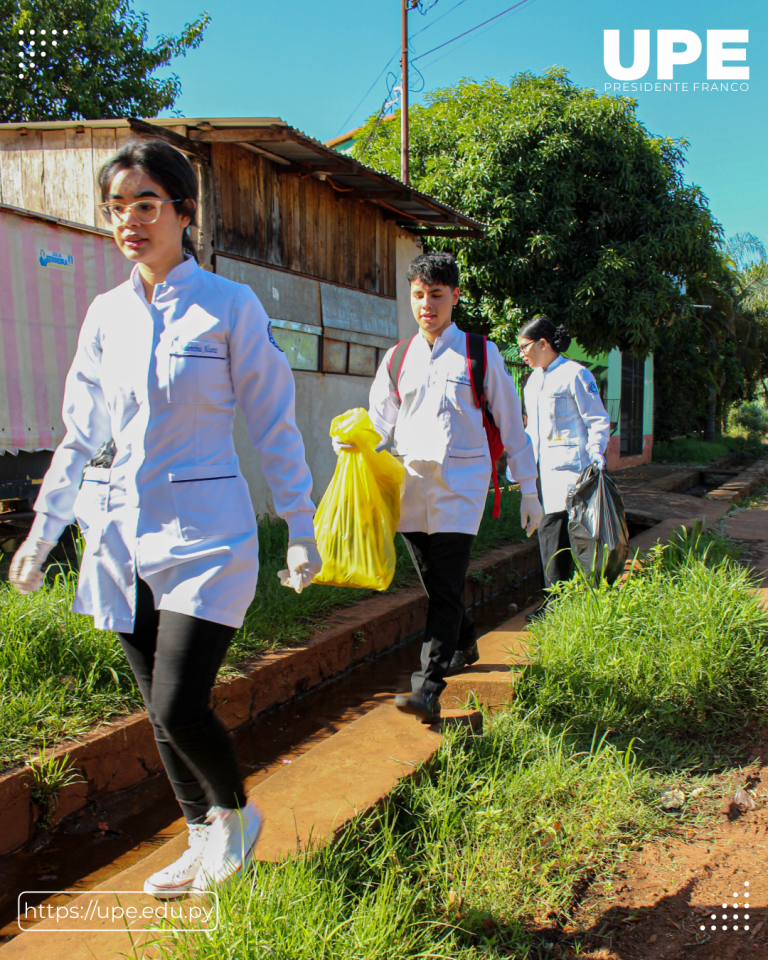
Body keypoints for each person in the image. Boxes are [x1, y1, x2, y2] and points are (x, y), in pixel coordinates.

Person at [8, 139, 321, 899]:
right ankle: (203, 837)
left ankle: (236, 818)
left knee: (181, 701)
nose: (129, 222)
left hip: (206, 535)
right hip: (118, 533)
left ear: (184, 211)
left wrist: (302, 524)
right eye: (116, 208)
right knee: (157, 711)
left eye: (146, 205)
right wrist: (44, 530)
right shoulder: (105, 314)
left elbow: (273, 425)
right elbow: (80, 434)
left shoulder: (228, 305)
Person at [333, 252, 541, 724]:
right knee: (435, 585)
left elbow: (511, 425)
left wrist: (528, 487)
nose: (427, 304)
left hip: (460, 487)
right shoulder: (397, 357)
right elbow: (380, 424)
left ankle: (426, 687)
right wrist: (352, 438)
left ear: (455, 297)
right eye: (419, 295)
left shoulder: (479, 353)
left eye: (437, 295)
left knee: (445, 584)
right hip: (410, 489)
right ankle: (464, 639)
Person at [513, 315, 610, 620]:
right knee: (549, 536)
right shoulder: (532, 382)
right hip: (543, 473)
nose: (522, 354)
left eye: (524, 347)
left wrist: (596, 455)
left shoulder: (575, 374)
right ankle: (557, 602)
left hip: (573, 472)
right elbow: (530, 431)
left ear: (544, 343)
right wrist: (519, 465)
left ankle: (570, 604)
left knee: (572, 537)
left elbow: (597, 420)